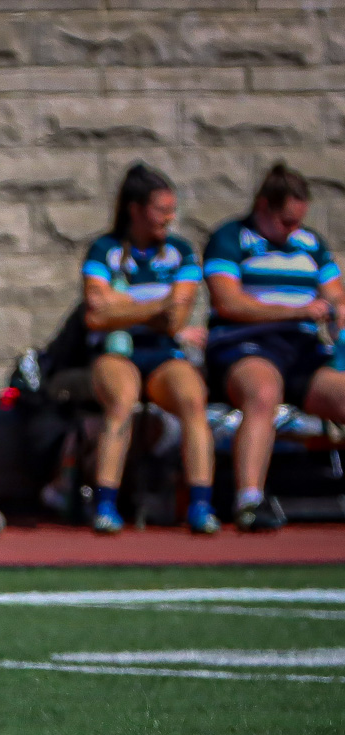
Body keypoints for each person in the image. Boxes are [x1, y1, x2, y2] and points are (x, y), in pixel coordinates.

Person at [204, 162, 345, 532]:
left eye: (299, 221)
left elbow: (334, 293)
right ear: (264, 207)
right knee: (264, 393)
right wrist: (296, 309)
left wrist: (337, 311)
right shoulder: (231, 238)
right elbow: (228, 302)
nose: (293, 229)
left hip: (303, 350)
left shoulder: (311, 244)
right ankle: (250, 500)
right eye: (285, 221)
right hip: (246, 344)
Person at [80, 164, 216, 535]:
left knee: (192, 399)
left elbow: (176, 321)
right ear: (135, 209)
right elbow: (94, 315)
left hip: (162, 352)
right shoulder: (104, 250)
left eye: (172, 210)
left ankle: (201, 505)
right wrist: (157, 305)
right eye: (161, 210)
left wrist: (119, 306)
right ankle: (106, 505)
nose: (169, 218)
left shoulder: (180, 253)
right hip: (115, 352)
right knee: (121, 401)